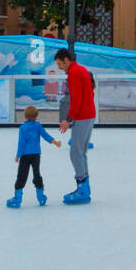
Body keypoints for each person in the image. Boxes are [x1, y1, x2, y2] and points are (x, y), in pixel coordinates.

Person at [55, 48, 96, 204]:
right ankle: (84, 188)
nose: (59, 67)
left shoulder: (74, 73)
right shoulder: (81, 69)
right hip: (88, 115)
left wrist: (68, 119)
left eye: (60, 64)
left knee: (75, 153)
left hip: (83, 116)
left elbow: (76, 99)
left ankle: (82, 189)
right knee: (81, 152)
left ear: (66, 60)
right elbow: (88, 94)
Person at [6, 105, 61, 208]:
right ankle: (41, 197)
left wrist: (18, 155)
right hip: (36, 154)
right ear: (36, 116)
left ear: (25, 117)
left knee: (22, 175)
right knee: (37, 173)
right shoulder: (38, 126)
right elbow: (46, 135)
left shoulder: (23, 128)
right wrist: (55, 142)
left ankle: (17, 198)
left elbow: (21, 143)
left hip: (25, 155)